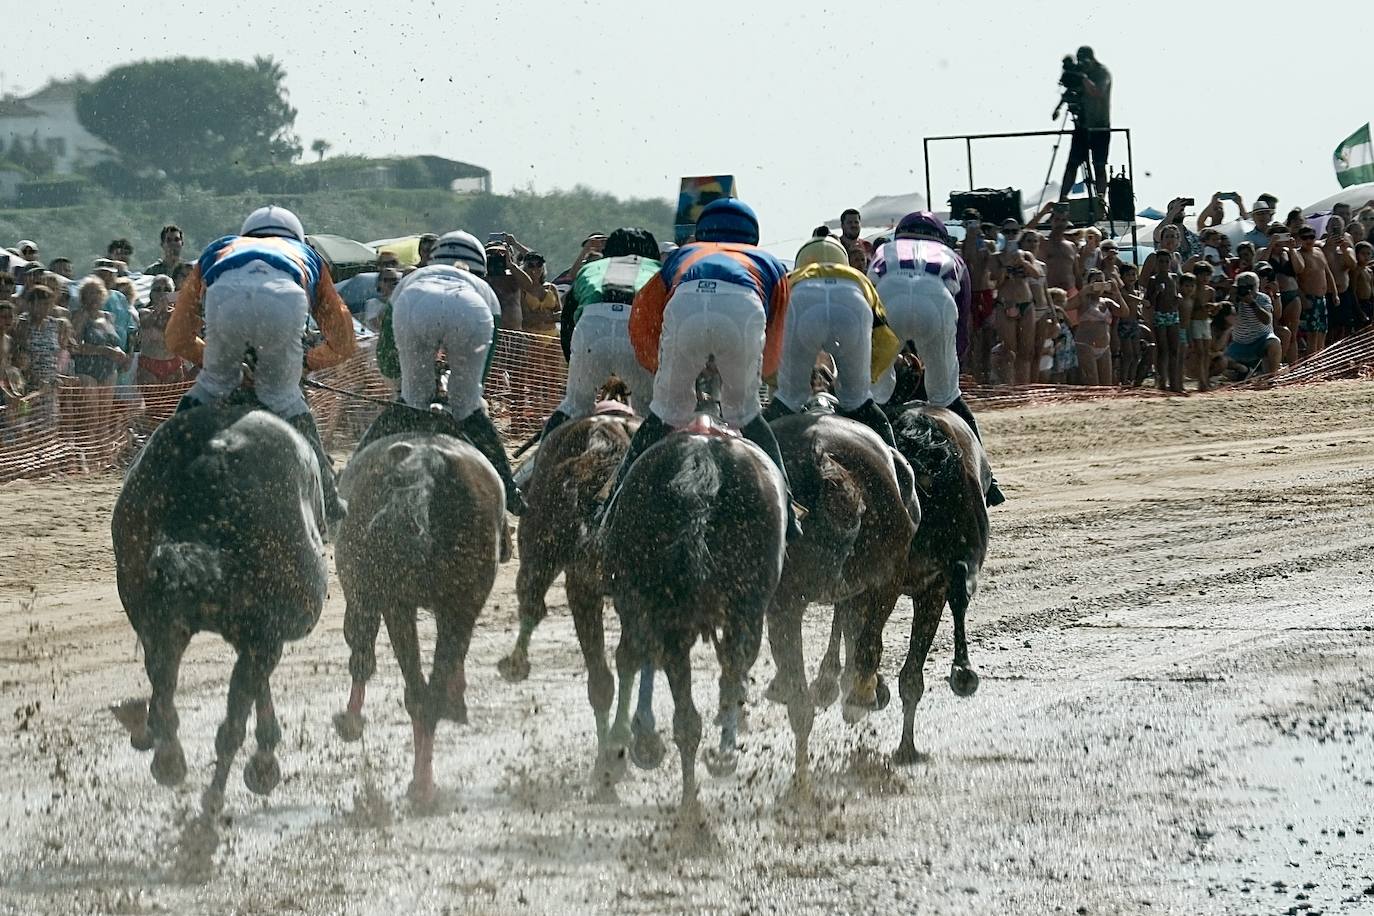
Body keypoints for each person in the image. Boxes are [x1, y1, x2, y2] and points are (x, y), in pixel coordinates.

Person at [613, 198, 803, 540]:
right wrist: (750, 375)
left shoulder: (684, 254)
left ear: (702, 231)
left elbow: (642, 314)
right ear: (752, 235)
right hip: (744, 305)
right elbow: (775, 341)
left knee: (664, 413)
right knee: (746, 414)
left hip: (685, 301)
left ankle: (613, 504)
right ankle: (788, 510)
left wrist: (660, 366)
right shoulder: (769, 262)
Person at [166, 205, 356, 532]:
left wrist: (219, 366)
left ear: (246, 234)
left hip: (225, 297)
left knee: (210, 387)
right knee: (284, 398)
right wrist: (305, 363)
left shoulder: (219, 248)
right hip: (285, 300)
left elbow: (177, 338)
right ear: (296, 236)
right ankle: (327, 495)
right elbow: (343, 343)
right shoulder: (308, 255)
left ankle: (161, 471)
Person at [358, 230, 525, 516]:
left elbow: (386, 360)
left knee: (411, 401)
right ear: (480, 267)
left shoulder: (410, 279)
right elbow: (483, 372)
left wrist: (408, 382)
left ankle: (349, 478)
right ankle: (510, 491)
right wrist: (462, 393)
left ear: (433, 259)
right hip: (471, 309)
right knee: (468, 406)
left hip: (415, 302)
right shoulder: (485, 290)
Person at [869, 211, 1005, 505]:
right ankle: (988, 480)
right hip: (936, 303)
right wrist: (955, 364)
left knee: (874, 396)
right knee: (947, 396)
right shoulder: (952, 257)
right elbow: (963, 323)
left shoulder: (883, 251)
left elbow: (868, 301)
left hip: (888, 299)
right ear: (941, 238)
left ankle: (871, 466)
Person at [765, 235, 899, 445]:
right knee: (858, 401)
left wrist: (778, 381)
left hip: (801, 300)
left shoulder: (792, 278)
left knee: (789, 399)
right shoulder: (858, 278)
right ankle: (896, 457)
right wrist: (867, 377)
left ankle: (753, 453)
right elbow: (887, 342)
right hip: (851, 302)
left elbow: (769, 342)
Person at [541, 227, 661, 441]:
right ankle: (645, 458)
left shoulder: (591, 268)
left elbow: (567, 323)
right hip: (634, 329)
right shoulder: (658, 269)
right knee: (651, 409)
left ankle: (541, 455)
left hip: (591, 328)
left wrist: (575, 364)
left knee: (574, 404)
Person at [992, 220, 1043, 385]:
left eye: (1014, 231)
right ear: (1002, 233)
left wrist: (1023, 262)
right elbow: (995, 283)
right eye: (1007, 231)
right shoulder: (996, 257)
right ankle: (1010, 387)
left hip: (1026, 303)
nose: (1011, 235)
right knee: (1009, 351)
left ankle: (1023, 387)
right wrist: (1005, 267)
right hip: (1005, 303)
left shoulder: (1026, 255)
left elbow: (1037, 275)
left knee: (1026, 351)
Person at [1058, 46, 1111, 200]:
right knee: (1072, 164)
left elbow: (1097, 92)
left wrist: (1083, 78)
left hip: (1100, 127)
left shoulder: (1101, 73)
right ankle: (1062, 198)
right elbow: (1070, 91)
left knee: (1099, 166)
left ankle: (1100, 201)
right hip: (1082, 126)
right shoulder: (1081, 73)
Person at [1224, 271, 1281, 378]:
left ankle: (1272, 377)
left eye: (1248, 287)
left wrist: (1252, 303)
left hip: (1261, 340)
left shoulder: (1263, 298)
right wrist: (1233, 300)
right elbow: (1227, 319)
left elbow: (1266, 320)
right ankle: (1245, 371)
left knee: (1274, 342)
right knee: (1222, 363)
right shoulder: (1233, 299)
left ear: (1256, 287)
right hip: (1239, 344)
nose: (1245, 290)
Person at [135, 276, 187, 384]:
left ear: (172, 294)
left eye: (167, 289)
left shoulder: (178, 314)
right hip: (149, 363)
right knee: (152, 395)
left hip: (173, 363)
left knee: (172, 395)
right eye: (158, 289)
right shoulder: (144, 312)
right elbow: (146, 324)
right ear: (151, 294)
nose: (162, 293)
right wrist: (159, 308)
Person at [1295, 225, 1337, 358]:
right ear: (1299, 239)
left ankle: (1320, 361)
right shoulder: (1298, 255)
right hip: (1309, 299)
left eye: (1311, 237)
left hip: (1322, 298)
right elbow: (1295, 280)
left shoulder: (1319, 251)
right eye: (1305, 237)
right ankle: (1312, 362)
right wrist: (1303, 298)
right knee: (1312, 334)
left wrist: (1335, 293)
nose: (1308, 240)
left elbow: (1327, 272)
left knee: (1323, 331)